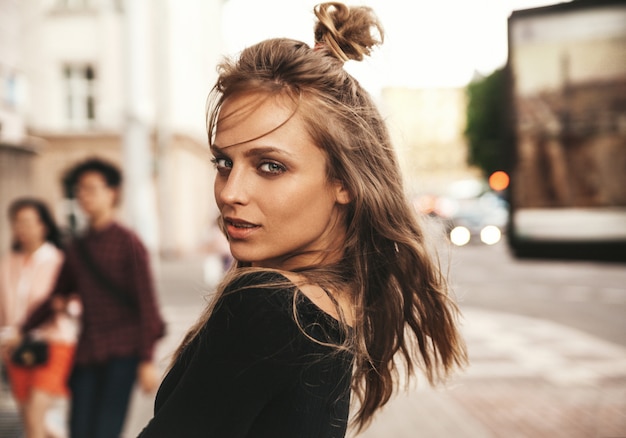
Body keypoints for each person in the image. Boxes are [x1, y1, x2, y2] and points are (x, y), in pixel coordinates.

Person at [139, 2, 467, 437]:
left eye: (270, 166)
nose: (229, 193)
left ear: (344, 181)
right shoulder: (332, 300)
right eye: (223, 162)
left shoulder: (268, 307)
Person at [21, 158, 166, 438]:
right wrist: (22, 330)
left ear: (112, 193)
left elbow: (147, 305)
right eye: (79, 190)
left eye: (91, 189)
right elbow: (56, 296)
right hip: (87, 351)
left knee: (105, 432)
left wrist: (147, 360)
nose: (83, 196)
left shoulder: (129, 243)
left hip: (123, 353)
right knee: (80, 430)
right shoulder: (78, 247)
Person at [0, 198, 77, 438]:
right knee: (33, 421)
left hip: (54, 345)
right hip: (15, 347)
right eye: (16, 223)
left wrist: (65, 307)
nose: (21, 229)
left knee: (34, 416)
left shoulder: (58, 261)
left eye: (27, 222)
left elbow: (72, 303)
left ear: (43, 225)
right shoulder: (8, 263)